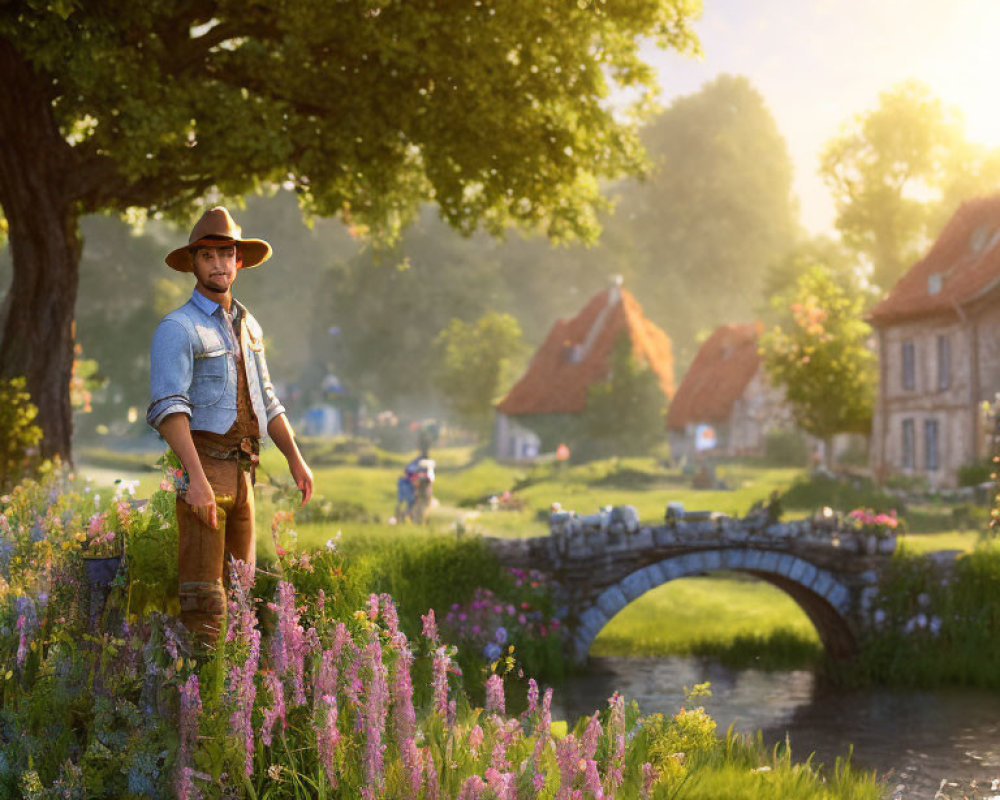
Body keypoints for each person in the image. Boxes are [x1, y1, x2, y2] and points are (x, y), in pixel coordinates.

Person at [146, 206, 313, 646]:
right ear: (194, 264)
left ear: (239, 260)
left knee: (243, 601)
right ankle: (193, 704)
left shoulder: (250, 326)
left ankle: (236, 698)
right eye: (207, 256)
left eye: (226, 253)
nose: (218, 263)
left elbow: (267, 401)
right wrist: (195, 480)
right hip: (204, 472)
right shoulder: (177, 327)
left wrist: (296, 459)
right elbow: (169, 410)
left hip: (243, 474)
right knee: (204, 604)